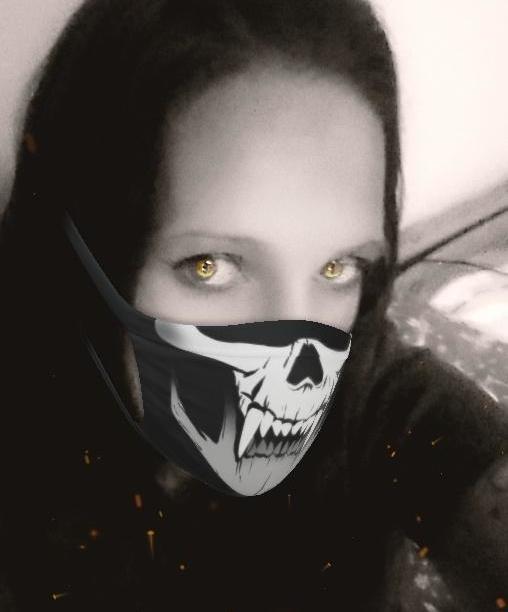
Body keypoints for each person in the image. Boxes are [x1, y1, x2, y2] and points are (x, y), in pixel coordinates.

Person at [0, 0, 507, 610]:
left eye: (338, 267)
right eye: (211, 266)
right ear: (82, 258)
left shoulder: (372, 395)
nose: (303, 362)